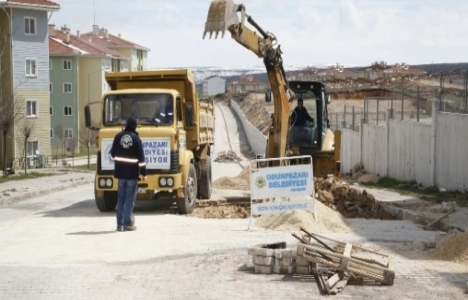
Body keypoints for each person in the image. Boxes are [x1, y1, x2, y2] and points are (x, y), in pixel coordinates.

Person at [110, 117, 147, 232]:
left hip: (120, 174)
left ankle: (119, 225)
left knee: (120, 199)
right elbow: (141, 159)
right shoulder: (136, 139)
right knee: (129, 199)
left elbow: (112, 154)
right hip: (132, 174)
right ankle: (127, 224)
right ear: (134, 127)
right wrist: (144, 173)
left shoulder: (118, 136)